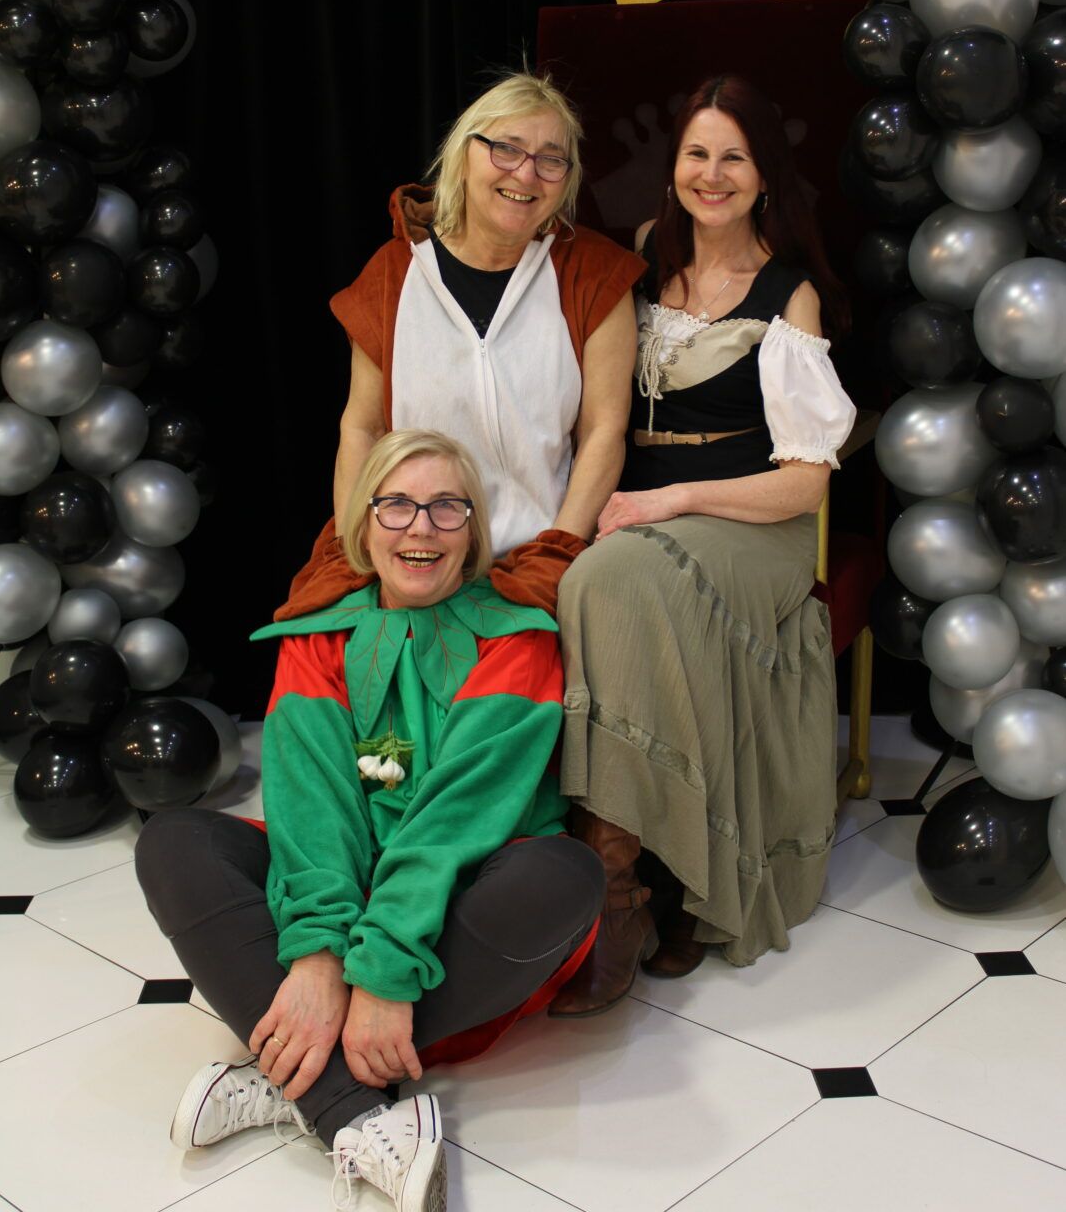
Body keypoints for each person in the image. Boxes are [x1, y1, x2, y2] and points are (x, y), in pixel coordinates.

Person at [136, 430, 605, 1212]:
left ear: (472, 533)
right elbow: (312, 800)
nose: (420, 527)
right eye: (396, 506)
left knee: (564, 876)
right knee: (174, 841)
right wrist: (320, 958)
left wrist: (383, 972)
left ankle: (290, 1072)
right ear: (364, 523)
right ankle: (347, 1104)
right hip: (342, 892)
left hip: (455, 912)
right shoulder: (317, 636)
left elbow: (457, 818)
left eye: (447, 507)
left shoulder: (517, 637)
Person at [547, 74, 857, 1018]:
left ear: (764, 176)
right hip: (634, 514)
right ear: (672, 164)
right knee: (606, 577)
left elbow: (803, 484)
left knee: (608, 582)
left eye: (734, 157)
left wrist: (673, 497)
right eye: (696, 153)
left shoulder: (788, 295)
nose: (711, 175)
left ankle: (628, 890)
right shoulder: (641, 254)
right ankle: (648, 876)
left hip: (747, 521)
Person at [277, 70, 645, 624]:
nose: (526, 173)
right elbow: (363, 428)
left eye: (551, 159)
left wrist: (558, 551)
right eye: (506, 148)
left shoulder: (594, 274)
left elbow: (602, 430)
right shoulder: (393, 275)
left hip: (540, 551)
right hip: (414, 552)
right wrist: (361, 547)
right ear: (464, 153)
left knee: (520, 674)